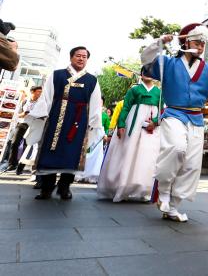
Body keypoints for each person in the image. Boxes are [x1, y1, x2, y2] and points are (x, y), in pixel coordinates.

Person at [141, 23, 208, 222]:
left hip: (197, 118)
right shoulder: (167, 64)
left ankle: (173, 206)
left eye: (203, 43)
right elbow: (146, 61)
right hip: (173, 113)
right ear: (186, 41)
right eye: (197, 42)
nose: (200, 46)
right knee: (177, 148)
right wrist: (159, 43)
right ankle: (163, 192)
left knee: (191, 165)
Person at [25, 46, 104, 200]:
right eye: (78, 55)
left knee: (72, 153)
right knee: (50, 149)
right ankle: (46, 188)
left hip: (78, 121)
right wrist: (40, 114)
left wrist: (95, 123)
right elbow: (47, 97)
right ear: (71, 57)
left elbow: (95, 104)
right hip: (56, 118)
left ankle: (64, 187)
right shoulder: (57, 75)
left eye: (84, 56)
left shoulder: (92, 80)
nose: (81, 59)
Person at [97, 74, 162, 202]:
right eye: (146, 71)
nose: (149, 74)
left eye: (151, 72)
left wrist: (154, 122)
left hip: (151, 129)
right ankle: (122, 187)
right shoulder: (134, 90)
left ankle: (144, 189)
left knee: (148, 156)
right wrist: (121, 124)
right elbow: (126, 107)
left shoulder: (159, 92)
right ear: (141, 75)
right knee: (127, 153)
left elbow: (162, 111)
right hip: (133, 124)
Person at [6, 86, 42, 173]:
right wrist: (24, 113)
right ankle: (12, 164)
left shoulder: (41, 102)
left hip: (34, 125)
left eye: (41, 92)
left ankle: (20, 167)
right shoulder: (25, 101)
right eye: (38, 91)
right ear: (32, 92)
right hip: (23, 123)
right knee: (14, 143)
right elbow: (18, 114)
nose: (40, 93)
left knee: (27, 146)